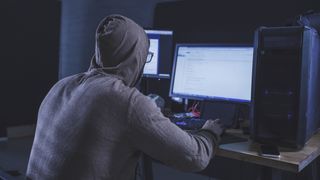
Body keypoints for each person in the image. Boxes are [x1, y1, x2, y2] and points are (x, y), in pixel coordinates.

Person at [26, 14, 224, 180]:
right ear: (135, 56)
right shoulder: (126, 101)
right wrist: (210, 133)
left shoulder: (61, 85)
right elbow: (194, 158)